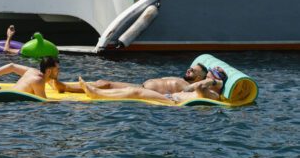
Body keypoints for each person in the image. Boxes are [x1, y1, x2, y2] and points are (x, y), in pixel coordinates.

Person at [79, 65, 229, 104]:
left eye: (214, 73)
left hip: (172, 101)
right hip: (170, 97)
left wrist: (214, 82)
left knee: (136, 93)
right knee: (134, 91)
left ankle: (97, 94)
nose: (210, 74)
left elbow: (201, 87)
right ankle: (96, 91)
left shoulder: (213, 94)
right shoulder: (206, 88)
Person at [63, 62, 210, 95]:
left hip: (142, 91)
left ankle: (66, 88)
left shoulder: (186, 86)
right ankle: (65, 86)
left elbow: (192, 90)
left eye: (192, 71)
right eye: (190, 68)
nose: (188, 70)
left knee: (106, 85)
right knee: (103, 82)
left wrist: (209, 80)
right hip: (141, 86)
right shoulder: (179, 79)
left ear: (198, 77)